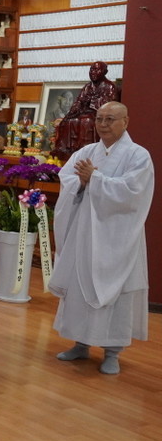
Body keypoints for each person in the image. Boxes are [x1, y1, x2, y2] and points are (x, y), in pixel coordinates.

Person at [50, 102, 153, 375]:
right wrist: (82, 182)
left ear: (126, 122)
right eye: (99, 119)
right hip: (85, 233)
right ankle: (80, 343)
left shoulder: (138, 155)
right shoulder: (86, 152)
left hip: (119, 236)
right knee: (80, 285)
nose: (104, 124)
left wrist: (95, 178)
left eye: (110, 119)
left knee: (116, 293)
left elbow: (134, 192)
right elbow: (67, 178)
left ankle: (112, 352)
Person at [52, 61, 119, 161]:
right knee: (69, 121)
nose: (93, 72)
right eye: (91, 69)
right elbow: (79, 101)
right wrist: (72, 112)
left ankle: (85, 149)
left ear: (104, 72)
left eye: (96, 70)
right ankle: (66, 149)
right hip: (84, 112)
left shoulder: (110, 86)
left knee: (86, 120)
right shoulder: (88, 87)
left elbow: (109, 105)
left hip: (98, 115)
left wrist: (92, 102)